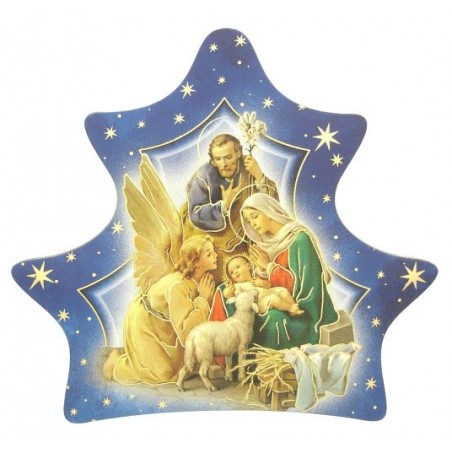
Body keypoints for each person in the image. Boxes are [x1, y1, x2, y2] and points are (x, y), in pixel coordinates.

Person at [210, 193, 338, 350]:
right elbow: (267, 281)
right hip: (273, 296)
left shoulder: (299, 239)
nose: (253, 224)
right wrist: (261, 271)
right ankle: (220, 348)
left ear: (268, 211)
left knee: (272, 318)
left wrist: (268, 266)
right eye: (249, 221)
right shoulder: (267, 242)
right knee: (223, 290)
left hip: (302, 307)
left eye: (255, 216)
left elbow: (300, 286)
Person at [102, 235, 217, 385]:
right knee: (162, 374)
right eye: (209, 254)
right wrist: (203, 300)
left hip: (163, 325)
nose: (215, 256)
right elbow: (186, 334)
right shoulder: (178, 286)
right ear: (195, 262)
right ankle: (117, 364)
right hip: (143, 322)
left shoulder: (194, 280)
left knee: (182, 364)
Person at [181, 134, 278, 283]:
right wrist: (224, 205)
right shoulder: (202, 177)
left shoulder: (248, 167)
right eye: (218, 159)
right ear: (212, 160)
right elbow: (195, 214)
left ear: (238, 153)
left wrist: (259, 176)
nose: (224, 164)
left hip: (244, 241)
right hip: (215, 245)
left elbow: (271, 204)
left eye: (228, 157)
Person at [222, 255, 304, 317]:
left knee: (283, 291)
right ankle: (290, 307)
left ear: (248, 266)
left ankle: (293, 312)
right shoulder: (238, 286)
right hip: (259, 304)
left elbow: (268, 286)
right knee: (274, 299)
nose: (235, 272)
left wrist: (261, 283)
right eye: (232, 272)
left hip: (267, 293)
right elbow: (232, 295)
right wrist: (227, 292)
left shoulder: (256, 277)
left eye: (237, 267)